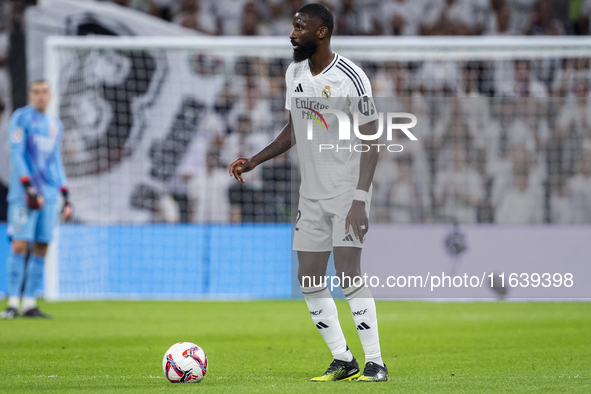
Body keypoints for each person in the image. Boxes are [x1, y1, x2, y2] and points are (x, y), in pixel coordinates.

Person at [229, 3, 387, 382]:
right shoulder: (295, 71)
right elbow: (295, 128)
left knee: (349, 274)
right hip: (310, 194)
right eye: (293, 25)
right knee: (309, 279)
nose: (292, 33)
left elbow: (373, 139)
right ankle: (343, 359)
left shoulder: (353, 77)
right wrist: (255, 159)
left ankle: (376, 363)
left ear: (322, 32)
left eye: (300, 26)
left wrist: (360, 200)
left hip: (346, 193)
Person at [1, 80, 71, 320]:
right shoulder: (20, 118)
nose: (41, 96)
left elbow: (55, 160)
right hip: (24, 194)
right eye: (36, 92)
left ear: (50, 95)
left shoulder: (55, 125)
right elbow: (16, 153)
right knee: (20, 245)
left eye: (44, 92)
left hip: (50, 195)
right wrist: (27, 184)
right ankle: (11, 302)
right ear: (30, 94)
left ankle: (29, 302)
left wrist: (64, 191)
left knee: (42, 246)